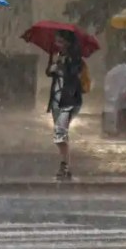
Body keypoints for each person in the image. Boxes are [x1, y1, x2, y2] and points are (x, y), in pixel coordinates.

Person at [47, 30, 84, 181]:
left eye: (61, 42)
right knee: (60, 133)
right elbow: (49, 73)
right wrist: (52, 68)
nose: (58, 45)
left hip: (69, 100)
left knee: (60, 133)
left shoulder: (75, 58)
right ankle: (66, 165)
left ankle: (65, 166)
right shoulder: (57, 56)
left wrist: (63, 66)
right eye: (57, 41)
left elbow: (74, 75)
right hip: (56, 100)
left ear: (68, 43)